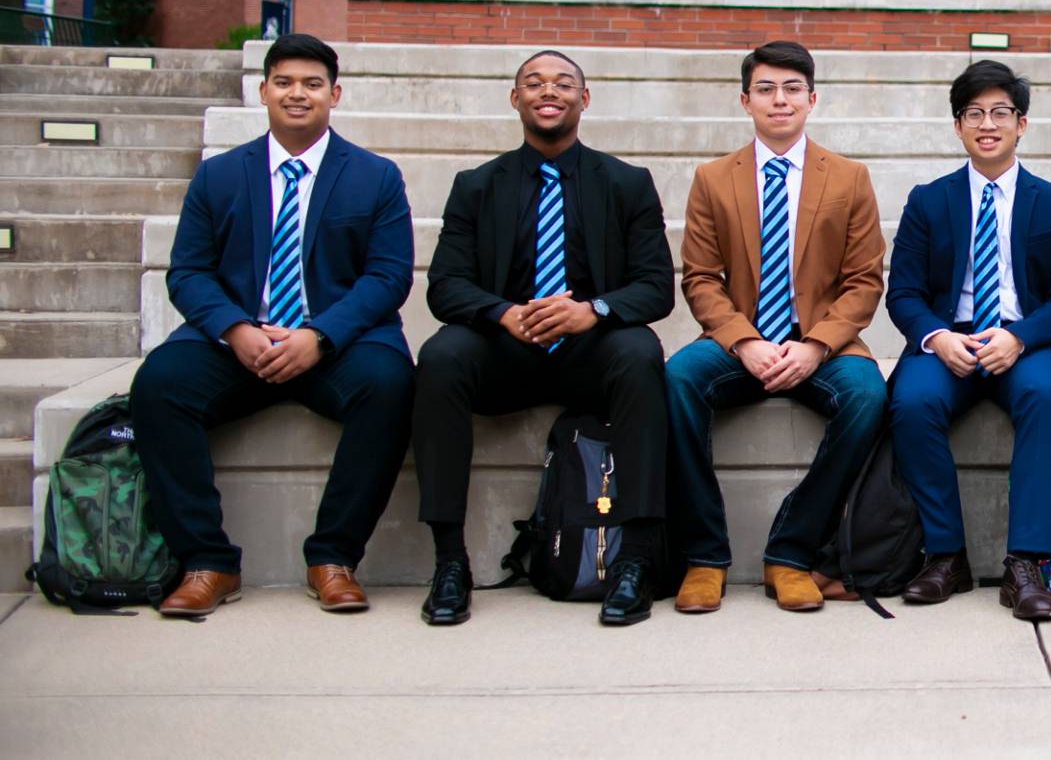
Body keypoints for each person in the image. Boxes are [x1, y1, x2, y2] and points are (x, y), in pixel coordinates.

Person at [131, 33, 414, 617]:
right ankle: (207, 561)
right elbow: (187, 273)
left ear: (335, 94)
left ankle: (333, 558)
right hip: (239, 342)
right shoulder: (219, 176)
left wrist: (319, 335)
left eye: (312, 84)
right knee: (159, 384)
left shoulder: (376, 176)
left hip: (335, 344)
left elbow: (388, 277)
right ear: (262, 91)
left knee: (392, 386)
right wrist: (236, 329)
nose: (297, 94)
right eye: (284, 81)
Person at [411, 50, 675, 627]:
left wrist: (593, 310)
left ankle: (633, 558)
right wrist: (502, 313)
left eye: (562, 83)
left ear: (585, 99)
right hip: (507, 350)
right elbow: (445, 287)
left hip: (590, 352)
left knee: (641, 352)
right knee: (440, 356)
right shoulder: (476, 186)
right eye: (533, 82)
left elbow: (656, 288)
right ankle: (450, 561)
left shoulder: (627, 183)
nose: (547, 91)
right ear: (515, 99)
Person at [666, 40, 888, 613]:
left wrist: (815, 346)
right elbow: (700, 278)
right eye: (765, 89)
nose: (779, 100)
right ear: (745, 101)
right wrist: (743, 341)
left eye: (792, 89)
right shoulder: (714, 178)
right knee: (676, 379)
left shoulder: (848, 177)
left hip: (821, 342)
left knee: (868, 396)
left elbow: (864, 281)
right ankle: (703, 556)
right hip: (739, 341)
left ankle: (790, 553)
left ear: (812, 100)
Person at [886, 60, 1051, 622]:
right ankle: (945, 555)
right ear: (958, 127)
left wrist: (1020, 337)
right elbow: (902, 292)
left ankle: (1026, 563)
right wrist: (934, 337)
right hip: (948, 340)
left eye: (1000, 112)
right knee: (911, 401)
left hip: (1024, 341)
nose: (987, 123)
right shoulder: (929, 201)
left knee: (1043, 396)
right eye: (973, 113)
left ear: (1021, 124)